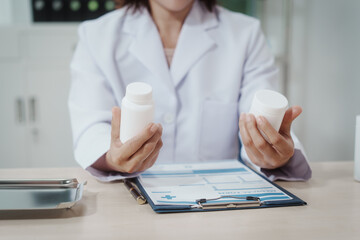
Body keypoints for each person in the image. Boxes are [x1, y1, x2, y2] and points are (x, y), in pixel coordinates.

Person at [68, 0, 312, 182]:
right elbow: (91, 126)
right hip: (131, 199)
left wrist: (272, 151)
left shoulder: (245, 34)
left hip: (219, 202)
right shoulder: (96, 36)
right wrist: (112, 157)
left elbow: (260, 118)